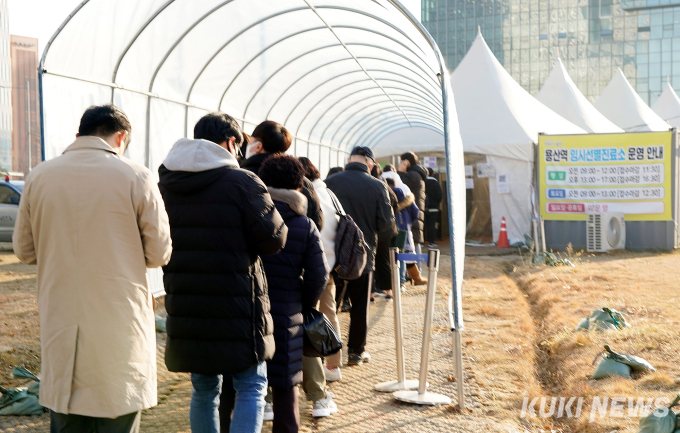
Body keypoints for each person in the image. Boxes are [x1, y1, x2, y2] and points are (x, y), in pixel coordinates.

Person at [13, 104, 173, 433]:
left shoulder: (40, 175)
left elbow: (24, 251)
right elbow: (159, 253)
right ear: (121, 137)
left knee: (67, 411)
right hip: (118, 320)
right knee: (118, 407)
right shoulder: (136, 176)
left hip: (61, 316)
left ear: (78, 135)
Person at [159, 112, 288, 433]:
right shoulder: (243, 182)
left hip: (186, 301)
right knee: (251, 385)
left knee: (204, 390)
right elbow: (273, 240)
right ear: (231, 142)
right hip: (238, 304)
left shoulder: (165, 183)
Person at [257, 154, 329, 432]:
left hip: (247, 310)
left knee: (244, 385)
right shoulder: (303, 224)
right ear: (299, 186)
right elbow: (318, 274)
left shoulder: (249, 217)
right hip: (288, 311)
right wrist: (305, 303)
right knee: (286, 388)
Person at [325, 146, 395, 366]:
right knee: (359, 306)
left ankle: (326, 355)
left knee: (330, 306)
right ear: (371, 163)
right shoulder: (377, 185)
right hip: (362, 255)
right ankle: (356, 352)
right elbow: (386, 225)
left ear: (349, 160)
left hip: (332, 253)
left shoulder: (331, 182)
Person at [298, 157, 343, 401]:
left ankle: (313, 376)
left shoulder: (307, 195)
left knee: (309, 320)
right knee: (329, 313)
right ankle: (334, 364)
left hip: (310, 265)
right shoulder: (329, 194)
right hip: (330, 264)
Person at [240, 121, 323, 231]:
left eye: (251, 140)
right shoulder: (303, 181)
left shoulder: (242, 176)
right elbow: (317, 222)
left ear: (259, 146)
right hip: (298, 244)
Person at [397, 152, 428, 285]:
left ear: (406, 162)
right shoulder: (418, 173)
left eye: (402, 161)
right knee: (415, 241)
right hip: (416, 210)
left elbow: (401, 186)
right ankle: (417, 274)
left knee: (412, 242)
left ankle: (416, 275)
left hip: (410, 211)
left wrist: (400, 171)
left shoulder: (411, 175)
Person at [385, 178, 420, 290]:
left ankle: (390, 282)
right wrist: (408, 222)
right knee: (402, 255)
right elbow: (416, 213)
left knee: (389, 256)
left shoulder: (385, 194)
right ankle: (401, 282)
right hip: (404, 230)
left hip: (389, 230)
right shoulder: (405, 196)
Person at [371, 164, 398, 302]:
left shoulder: (368, 185)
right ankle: (389, 292)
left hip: (371, 229)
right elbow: (395, 203)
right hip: (386, 230)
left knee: (369, 262)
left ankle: (370, 295)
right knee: (383, 261)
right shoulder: (385, 186)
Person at [425, 168, 443, 248]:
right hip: (433, 207)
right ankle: (431, 242)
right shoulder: (435, 183)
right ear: (433, 174)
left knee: (423, 225)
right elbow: (439, 195)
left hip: (423, 208)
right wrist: (436, 203)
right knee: (432, 225)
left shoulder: (422, 182)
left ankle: (421, 242)